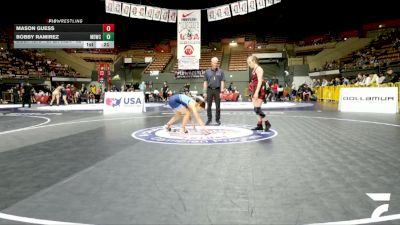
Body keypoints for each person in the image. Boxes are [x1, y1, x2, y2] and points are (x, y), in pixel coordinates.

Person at [247, 55, 271, 131]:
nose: (249, 64)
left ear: (254, 61)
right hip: (254, 90)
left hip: (259, 90)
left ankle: (267, 123)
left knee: (257, 109)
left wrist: (256, 92)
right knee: (256, 109)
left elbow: (260, 81)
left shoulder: (259, 69)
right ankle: (259, 125)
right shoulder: (254, 69)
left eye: (249, 62)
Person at [203, 57, 225, 126]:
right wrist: (204, 92)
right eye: (214, 62)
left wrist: (222, 92)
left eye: (217, 63)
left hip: (217, 90)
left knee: (218, 106)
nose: (216, 64)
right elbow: (205, 82)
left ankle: (217, 120)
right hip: (209, 90)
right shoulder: (207, 72)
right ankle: (209, 119)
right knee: (209, 106)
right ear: (211, 63)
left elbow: (222, 82)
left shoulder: (221, 71)